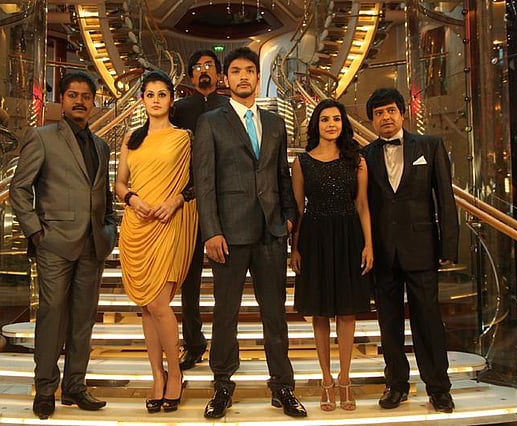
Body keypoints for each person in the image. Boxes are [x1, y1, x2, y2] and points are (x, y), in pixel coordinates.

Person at [193, 47, 307, 419]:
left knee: (275, 315)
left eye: (250, 70)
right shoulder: (211, 122)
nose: (243, 76)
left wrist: (288, 216)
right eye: (236, 71)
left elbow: (281, 174)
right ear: (225, 79)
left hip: (271, 232)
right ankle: (222, 385)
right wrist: (211, 231)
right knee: (225, 315)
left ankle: (282, 387)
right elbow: (204, 182)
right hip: (228, 233)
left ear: (258, 77)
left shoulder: (274, 123)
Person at [9, 71, 118, 420]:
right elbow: (19, 189)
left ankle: (74, 386)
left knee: (83, 320)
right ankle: (45, 390)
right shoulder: (42, 137)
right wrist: (36, 233)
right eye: (73, 95)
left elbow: (104, 193)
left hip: (92, 244)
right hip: (54, 242)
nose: (80, 101)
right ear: (62, 99)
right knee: (52, 317)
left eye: (86, 96)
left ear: (94, 102)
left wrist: (109, 229)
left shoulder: (101, 145)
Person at [362, 87, 459, 413]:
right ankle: (396, 385)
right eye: (378, 113)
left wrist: (448, 244)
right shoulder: (365, 155)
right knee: (388, 323)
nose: (385, 118)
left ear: (402, 113)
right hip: (382, 252)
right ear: (372, 120)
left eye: (390, 111)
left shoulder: (430, 146)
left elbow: (445, 199)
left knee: (428, 321)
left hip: (422, 249)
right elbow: (362, 206)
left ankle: (438, 387)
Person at [115, 70, 198, 413]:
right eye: (150, 95)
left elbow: (196, 181)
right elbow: (120, 184)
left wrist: (175, 201)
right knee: (147, 307)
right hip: (136, 224)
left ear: (171, 99)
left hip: (171, 222)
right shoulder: (131, 139)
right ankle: (157, 376)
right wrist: (132, 199)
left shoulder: (184, 138)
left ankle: (175, 373)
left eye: (162, 94)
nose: (155, 100)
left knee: (159, 303)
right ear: (142, 100)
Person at [290, 99, 373, 412]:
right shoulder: (302, 162)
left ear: (343, 124)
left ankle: (345, 378)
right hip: (314, 238)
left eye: (336, 119)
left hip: (349, 235)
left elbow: (362, 204)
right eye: (325, 119)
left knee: (347, 312)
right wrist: (295, 247)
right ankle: (326, 379)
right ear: (316, 125)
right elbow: (298, 209)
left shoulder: (357, 160)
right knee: (320, 312)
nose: (331, 124)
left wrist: (368, 244)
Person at [172, 49, 228, 371]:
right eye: (198, 66)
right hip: (189, 203)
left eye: (209, 66)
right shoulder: (179, 110)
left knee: (226, 282)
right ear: (191, 75)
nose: (203, 70)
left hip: (225, 203)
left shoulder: (230, 108)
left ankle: (224, 346)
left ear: (219, 74)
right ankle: (193, 343)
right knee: (189, 280)